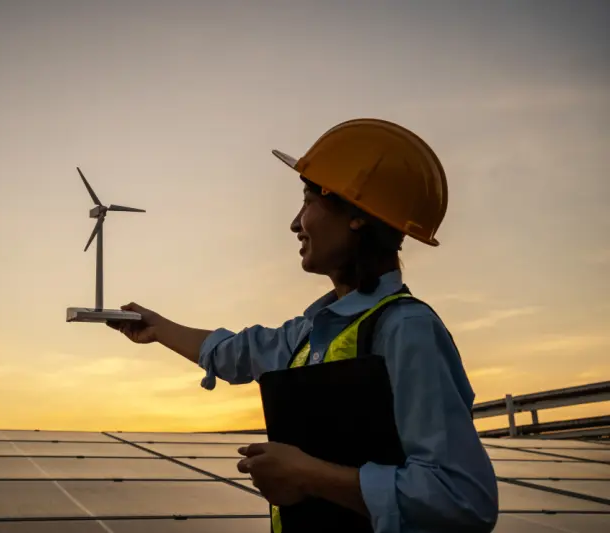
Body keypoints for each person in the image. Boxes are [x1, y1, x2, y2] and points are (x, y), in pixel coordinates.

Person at [109, 118, 499, 532]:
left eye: (308, 201)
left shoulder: (407, 329)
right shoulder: (312, 332)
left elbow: (462, 500)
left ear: (355, 214)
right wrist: (155, 326)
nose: (296, 223)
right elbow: (236, 352)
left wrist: (308, 475)